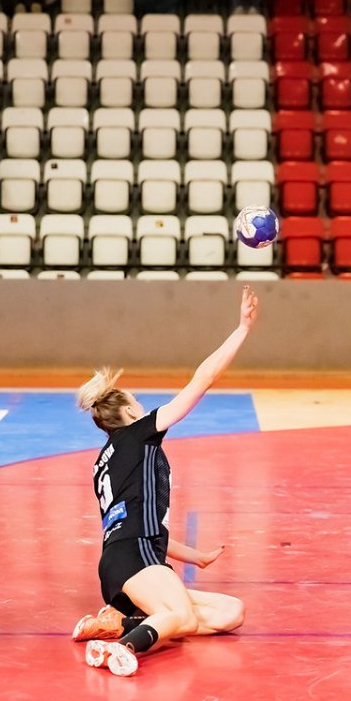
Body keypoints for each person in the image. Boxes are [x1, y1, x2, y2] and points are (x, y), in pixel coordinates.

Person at [72, 286, 257, 677]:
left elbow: (134, 520)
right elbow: (202, 380)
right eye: (137, 401)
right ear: (129, 412)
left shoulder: (103, 461)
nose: (143, 405)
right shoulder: (140, 432)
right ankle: (123, 646)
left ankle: (117, 622)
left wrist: (195, 557)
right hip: (137, 556)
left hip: (121, 561)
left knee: (231, 612)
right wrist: (241, 329)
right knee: (181, 617)